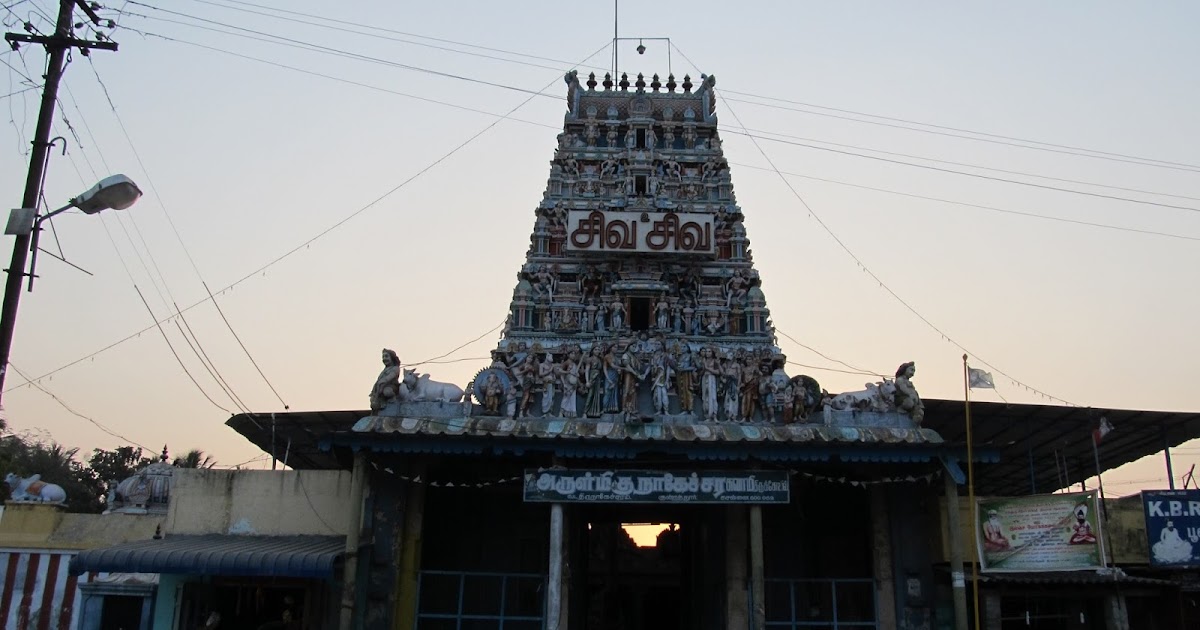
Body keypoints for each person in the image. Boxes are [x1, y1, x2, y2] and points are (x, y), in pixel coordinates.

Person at [369, 349, 402, 414]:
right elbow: (378, 381)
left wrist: (383, 382)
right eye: (383, 357)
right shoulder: (385, 370)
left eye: (386, 356)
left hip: (392, 387)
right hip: (381, 387)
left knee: (387, 392)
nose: (384, 358)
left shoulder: (395, 368)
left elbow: (389, 377)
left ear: (392, 358)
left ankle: (394, 400)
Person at [893, 361, 925, 426]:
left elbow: (914, 391)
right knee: (909, 403)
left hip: (913, 401)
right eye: (911, 370)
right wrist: (910, 395)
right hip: (903, 399)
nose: (912, 373)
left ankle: (915, 424)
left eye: (914, 371)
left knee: (920, 411)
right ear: (904, 370)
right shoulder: (900, 380)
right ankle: (900, 410)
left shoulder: (908, 382)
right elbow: (903, 389)